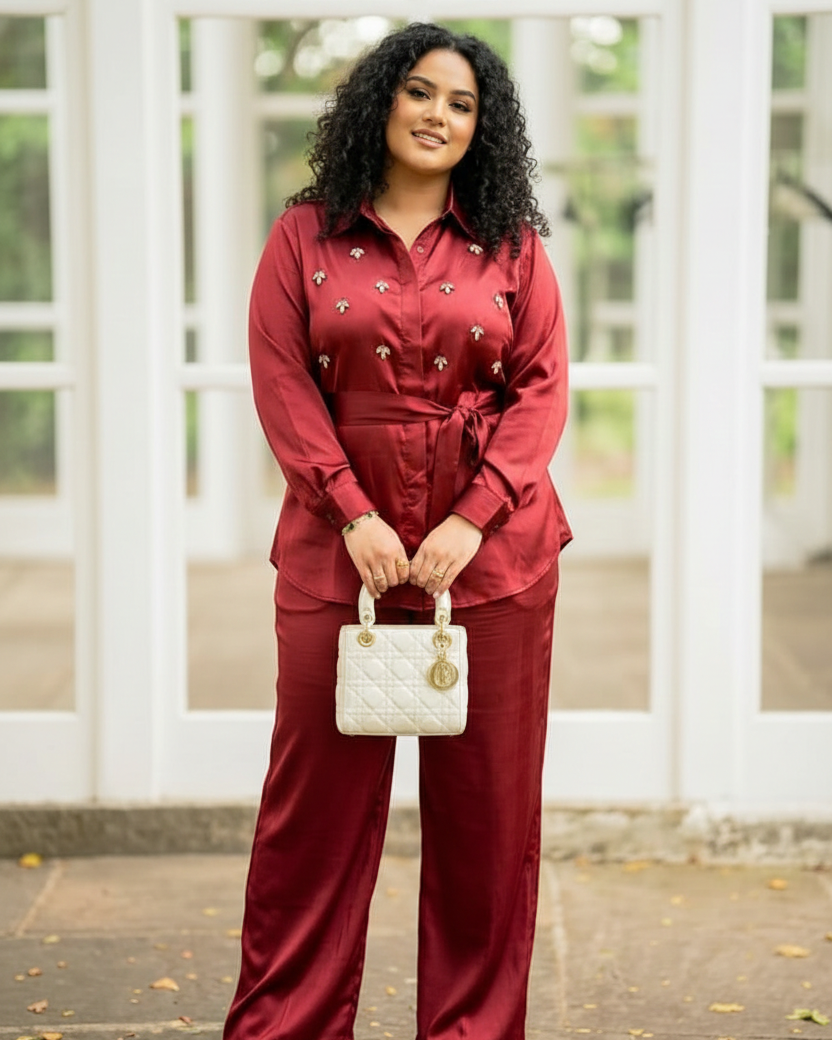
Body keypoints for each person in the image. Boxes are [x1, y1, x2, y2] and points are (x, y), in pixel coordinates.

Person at [224, 21, 571, 1040]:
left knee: (487, 826)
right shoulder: (302, 236)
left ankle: (470, 1028)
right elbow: (282, 382)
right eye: (420, 92)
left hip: (493, 563)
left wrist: (474, 514)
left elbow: (543, 389)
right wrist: (352, 511)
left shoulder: (511, 244)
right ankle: (285, 1023)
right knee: (312, 822)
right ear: (381, 102)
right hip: (342, 559)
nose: (437, 114)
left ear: (483, 127)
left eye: (461, 103)